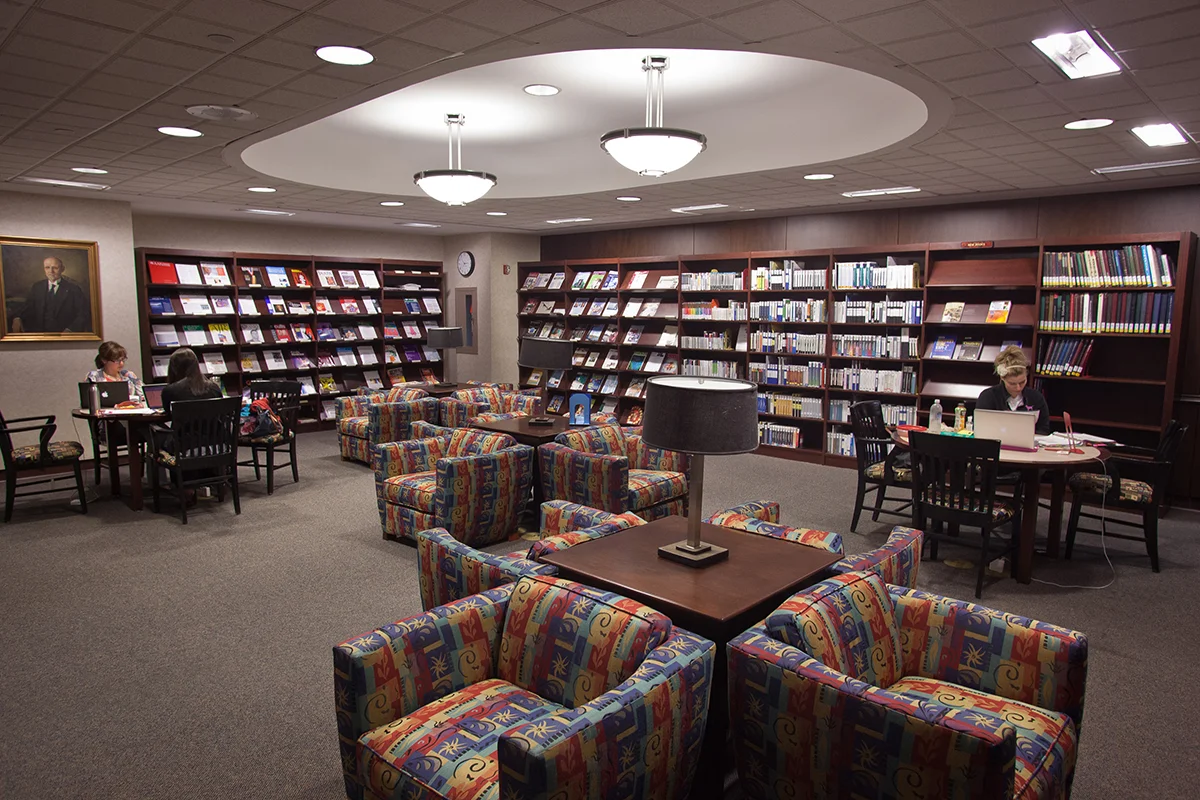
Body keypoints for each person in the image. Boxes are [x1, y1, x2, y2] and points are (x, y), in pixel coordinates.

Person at [976, 345, 1051, 434]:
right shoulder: (988, 397)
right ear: (1002, 378)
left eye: (1022, 382)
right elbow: (980, 429)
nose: (1018, 388)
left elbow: (1044, 430)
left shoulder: (1036, 398)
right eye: (1012, 384)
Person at [10, 256, 91, 333]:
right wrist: (17, 318)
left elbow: (83, 314)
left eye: (55, 268)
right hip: (39, 335)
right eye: (47, 267)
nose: (51, 271)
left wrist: (71, 330)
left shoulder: (73, 289)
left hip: (63, 335)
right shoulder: (37, 287)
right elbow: (27, 307)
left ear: (62, 269)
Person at [161, 347, 223, 415]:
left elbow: (168, 413)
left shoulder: (170, 391)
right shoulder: (214, 388)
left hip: (184, 425)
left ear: (174, 368)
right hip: (212, 425)